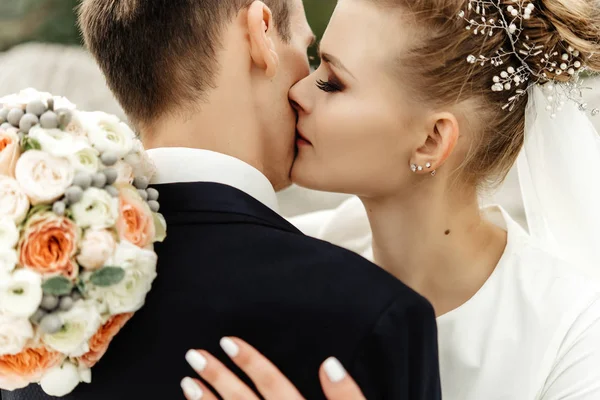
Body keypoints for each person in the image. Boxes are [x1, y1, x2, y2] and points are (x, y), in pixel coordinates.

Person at [0, 1, 442, 399]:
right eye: (309, 55)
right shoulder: (377, 314)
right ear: (261, 33)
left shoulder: (26, 311)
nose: (308, 89)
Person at [203, 0, 600, 399]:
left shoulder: (573, 335)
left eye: (332, 82)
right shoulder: (294, 254)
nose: (297, 91)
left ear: (430, 141)